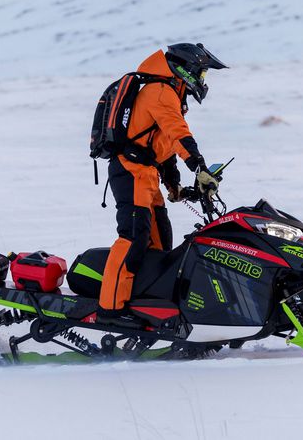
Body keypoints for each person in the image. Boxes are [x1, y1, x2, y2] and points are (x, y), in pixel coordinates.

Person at [97, 43, 228, 328]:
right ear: (186, 70)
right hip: (130, 171)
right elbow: (178, 133)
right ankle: (110, 311)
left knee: (159, 240)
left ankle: (145, 303)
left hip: (146, 175)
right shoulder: (160, 92)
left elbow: (162, 146)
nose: (203, 81)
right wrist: (199, 167)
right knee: (133, 236)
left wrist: (174, 185)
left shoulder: (168, 93)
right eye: (202, 74)